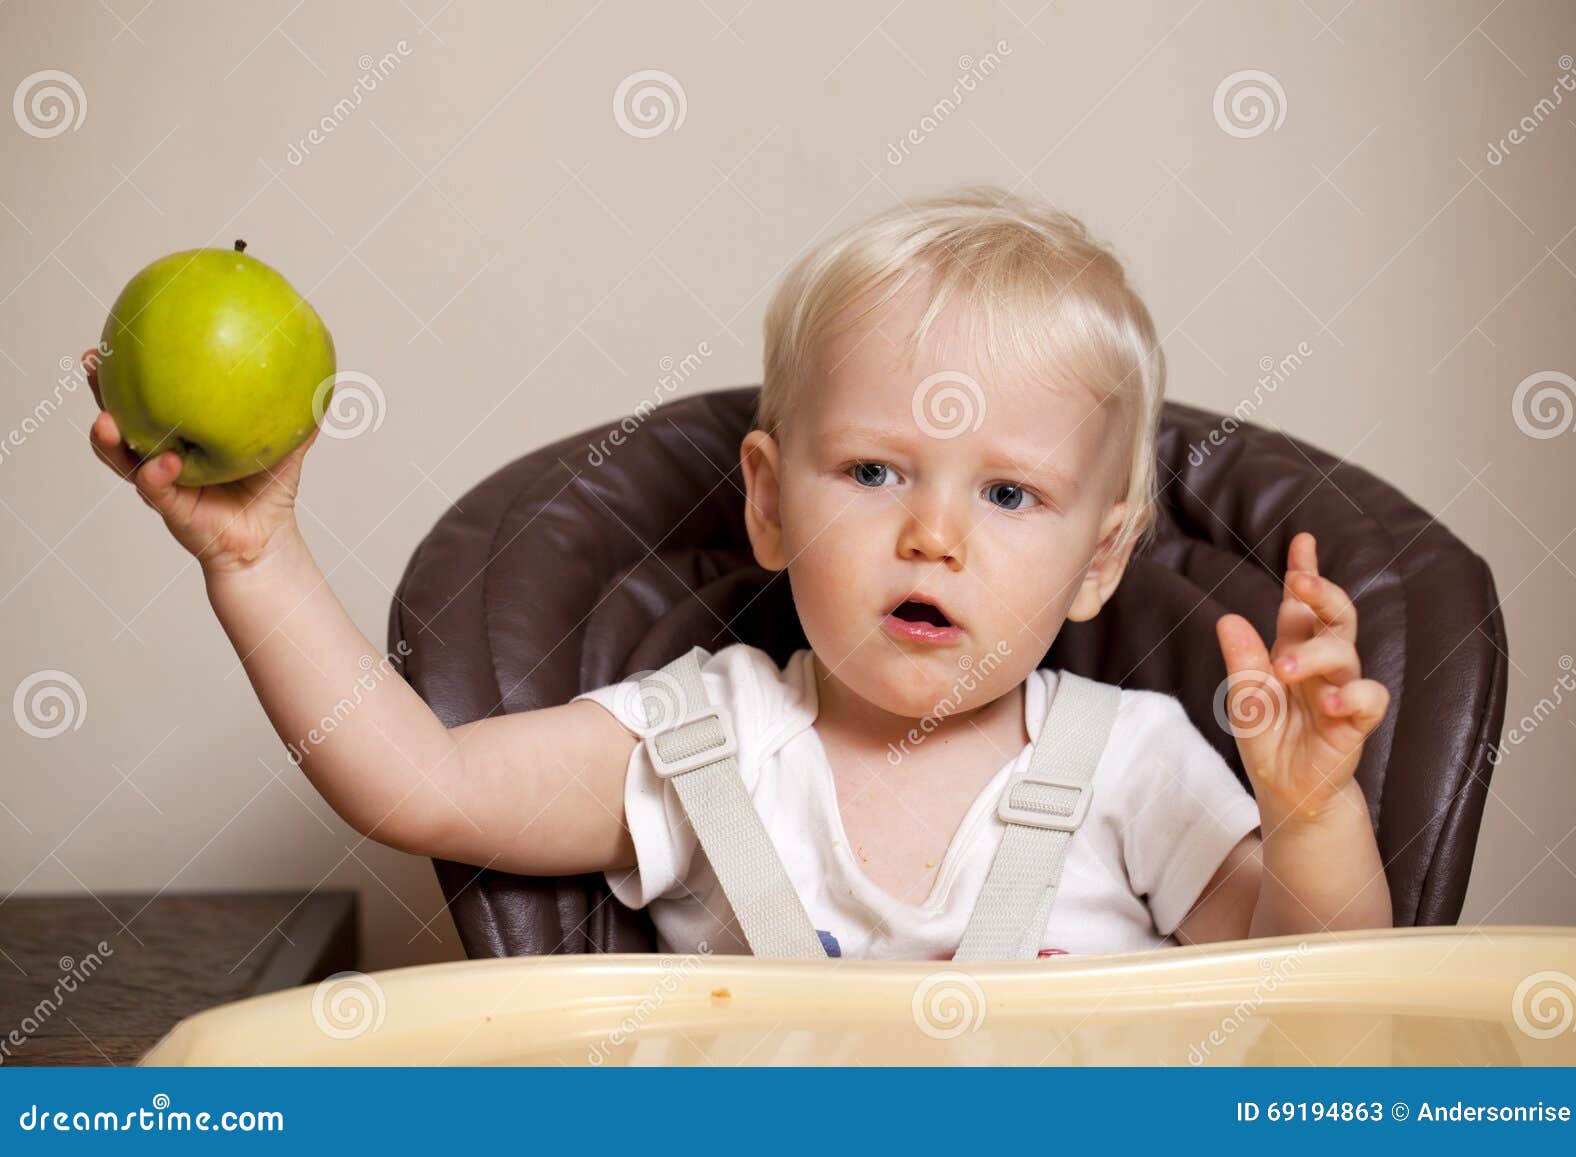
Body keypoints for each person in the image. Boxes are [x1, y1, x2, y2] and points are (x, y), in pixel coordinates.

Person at [84, 186, 1393, 960]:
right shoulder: (703, 737)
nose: (932, 535)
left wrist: (1313, 816)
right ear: (767, 501)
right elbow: (415, 784)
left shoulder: (1136, 762)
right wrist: (256, 559)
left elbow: (1322, 1001)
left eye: (1007, 493)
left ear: (1100, 557)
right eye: (875, 472)